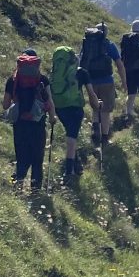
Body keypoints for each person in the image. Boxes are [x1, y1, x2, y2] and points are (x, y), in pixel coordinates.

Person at [2, 49, 54, 190]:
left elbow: (5, 105)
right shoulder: (42, 79)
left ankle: (18, 184)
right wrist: (52, 118)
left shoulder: (12, 80)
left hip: (19, 125)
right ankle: (35, 190)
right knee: (37, 158)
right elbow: (50, 102)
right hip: (38, 124)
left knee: (21, 155)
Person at [49, 46, 102, 178]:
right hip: (75, 109)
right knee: (71, 139)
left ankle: (76, 165)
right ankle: (69, 172)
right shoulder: (82, 73)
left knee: (70, 133)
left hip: (60, 108)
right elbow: (91, 93)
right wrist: (97, 104)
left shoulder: (55, 73)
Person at [79, 23, 126, 144]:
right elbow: (119, 64)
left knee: (96, 108)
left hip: (91, 81)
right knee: (105, 111)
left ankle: (95, 130)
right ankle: (104, 138)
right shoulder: (109, 45)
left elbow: (81, 61)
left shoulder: (87, 44)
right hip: (107, 81)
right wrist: (124, 81)